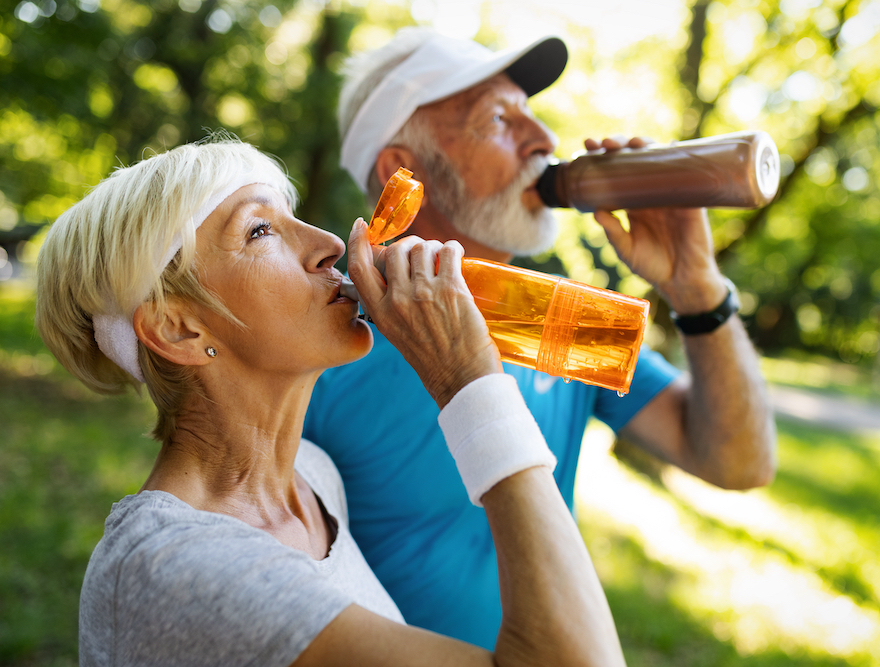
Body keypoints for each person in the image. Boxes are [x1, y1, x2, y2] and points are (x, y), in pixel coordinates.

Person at [34, 138, 628, 666]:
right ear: (179, 330)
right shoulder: (175, 571)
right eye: (259, 230)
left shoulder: (315, 480)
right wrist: (469, 383)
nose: (326, 244)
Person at [304, 27, 779, 648]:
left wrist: (698, 291)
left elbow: (737, 462)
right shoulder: (317, 336)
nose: (546, 140)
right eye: (499, 119)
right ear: (404, 169)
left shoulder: (564, 319)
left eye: (531, 113)